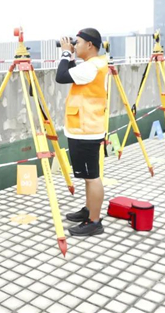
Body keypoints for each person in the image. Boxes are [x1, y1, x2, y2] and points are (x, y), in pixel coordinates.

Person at [55, 28, 108, 236]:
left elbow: (61, 76)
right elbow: (71, 74)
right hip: (84, 126)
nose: (75, 46)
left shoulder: (91, 67)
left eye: (77, 43)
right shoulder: (93, 65)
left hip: (86, 129)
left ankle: (94, 221)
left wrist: (65, 53)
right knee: (88, 176)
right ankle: (89, 209)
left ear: (90, 45)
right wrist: (70, 55)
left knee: (92, 176)